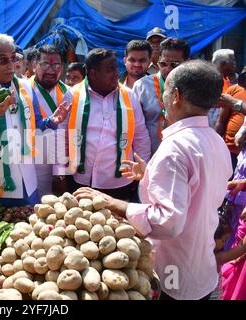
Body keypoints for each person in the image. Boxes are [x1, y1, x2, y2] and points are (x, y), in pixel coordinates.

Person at [74, 60, 232, 300]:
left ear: (176, 95)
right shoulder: (214, 140)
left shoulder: (176, 148)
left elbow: (167, 223)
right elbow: (197, 189)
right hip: (200, 266)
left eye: (166, 90)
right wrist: (151, 174)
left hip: (173, 271)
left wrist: (113, 203)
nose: (163, 98)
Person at [0, 34, 69, 207]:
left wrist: (51, 122)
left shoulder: (25, 87)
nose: (11, 66)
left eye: (13, 58)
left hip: (28, 181)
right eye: (3, 61)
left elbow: (37, 126)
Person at [53, 48, 151, 202]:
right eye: (110, 70)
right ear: (93, 73)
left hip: (120, 182)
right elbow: (62, 135)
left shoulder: (129, 96)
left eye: (116, 69)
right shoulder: (73, 95)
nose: (116, 74)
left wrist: (141, 174)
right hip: (80, 180)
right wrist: (59, 173)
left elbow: (141, 137)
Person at [133, 38, 190, 154]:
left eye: (174, 65)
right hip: (149, 156)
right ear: (158, 60)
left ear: (187, 62)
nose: (168, 69)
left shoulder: (193, 88)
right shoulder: (141, 86)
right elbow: (135, 127)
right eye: (163, 64)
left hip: (182, 156)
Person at [29, 45, 69, 196]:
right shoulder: (23, 91)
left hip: (56, 164)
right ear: (34, 65)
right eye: (45, 64)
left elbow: (67, 133)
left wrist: (60, 171)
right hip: (28, 162)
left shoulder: (68, 93)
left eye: (56, 65)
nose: (51, 70)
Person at [215, 67, 246, 170]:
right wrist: (215, 146)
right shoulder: (234, 90)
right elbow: (221, 120)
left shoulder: (233, 101)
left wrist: (236, 103)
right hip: (230, 152)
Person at [209, 49, 237, 128]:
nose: (235, 64)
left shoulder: (228, 79)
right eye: (233, 60)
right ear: (224, 63)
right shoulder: (209, 79)